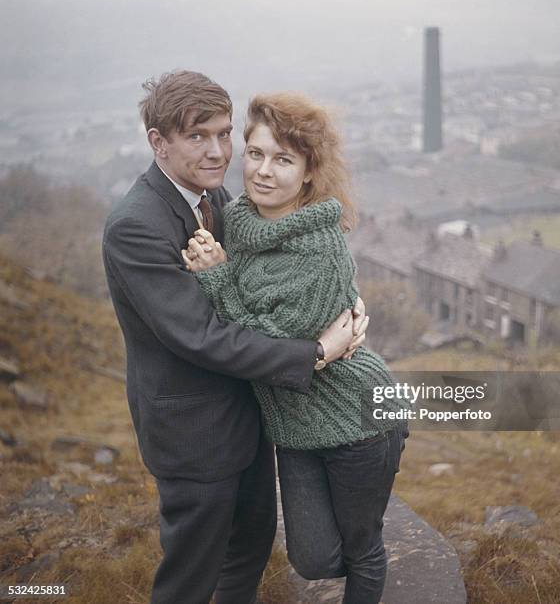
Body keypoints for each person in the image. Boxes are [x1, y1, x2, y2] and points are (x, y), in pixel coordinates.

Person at [102, 71, 368, 604]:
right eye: (198, 136)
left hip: (247, 417)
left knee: (247, 553)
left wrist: (345, 297)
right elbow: (202, 337)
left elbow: (268, 272)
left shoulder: (214, 196)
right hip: (194, 436)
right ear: (159, 142)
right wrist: (315, 352)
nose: (218, 150)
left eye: (225, 134)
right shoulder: (136, 225)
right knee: (190, 577)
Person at [183, 92, 408, 604]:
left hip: (359, 420)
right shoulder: (241, 220)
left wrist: (217, 280)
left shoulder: (320, 250)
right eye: (256, 154)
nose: (264, 171)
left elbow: (267, 346)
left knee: (361, 549)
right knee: (311, 559)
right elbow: (262, 317)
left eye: (283, 159)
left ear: (309, 172)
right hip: (296, 426)